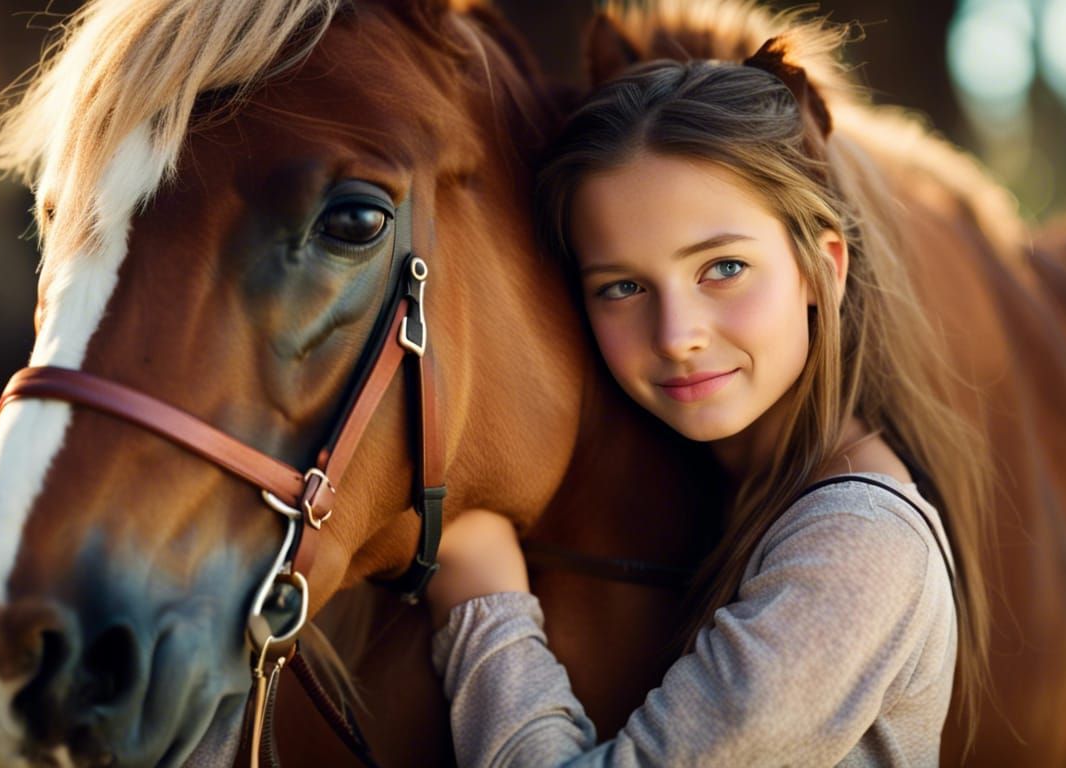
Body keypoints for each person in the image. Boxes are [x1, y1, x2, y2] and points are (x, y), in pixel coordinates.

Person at [424, 34, 994, 767]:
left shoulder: (862, 546)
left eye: (723, 267)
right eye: (622, 287)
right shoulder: (739, 497)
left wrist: (481, 602)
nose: (676, 335)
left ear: (822, 268)